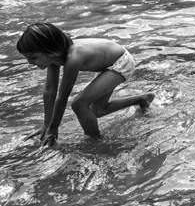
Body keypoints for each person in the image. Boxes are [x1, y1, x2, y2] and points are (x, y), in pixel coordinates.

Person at [17, 23, 154, 146]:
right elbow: (50, 90)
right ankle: (142, 99)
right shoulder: (54, 58)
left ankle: (96, 141)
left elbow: (62, 97)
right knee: (98, 110)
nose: (30, 62)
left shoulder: (74, 57)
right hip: (107, 64)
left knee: (79, 104)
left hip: (121, 62)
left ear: (50, 50)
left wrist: (53, 129)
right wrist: (47, 125)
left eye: (33, 57)